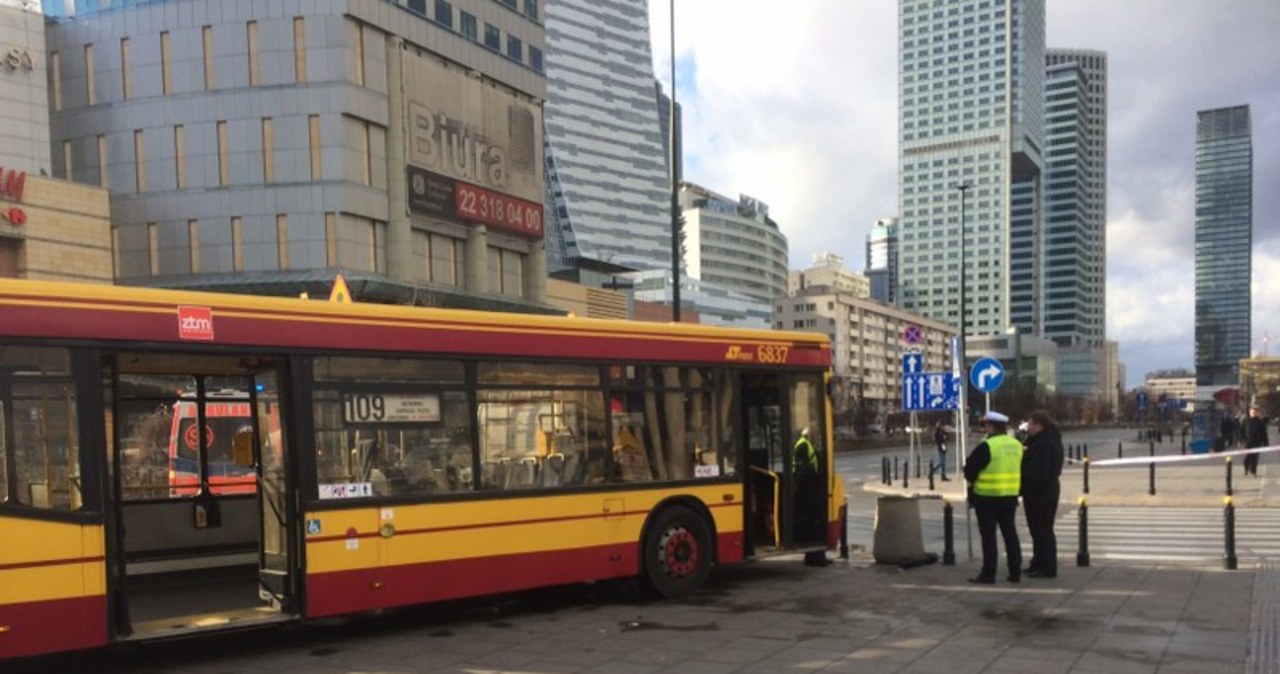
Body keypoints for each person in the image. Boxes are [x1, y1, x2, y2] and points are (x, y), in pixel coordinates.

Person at [963, 410, 1023, 584]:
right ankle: (1015, 571)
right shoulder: (1016, 444)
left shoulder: (987, 446)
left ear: (990, 426)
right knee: (1010, 533)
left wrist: (972, 479)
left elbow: (970, 471)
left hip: (987, 497)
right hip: (1010, 496)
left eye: (986, 425)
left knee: (989, 536)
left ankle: (989, 573)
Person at [1020, 410, 1064, 578]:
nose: (1028, 427)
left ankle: (1047, 567)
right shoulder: (1043, 441)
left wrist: (1028, 489)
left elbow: (1039, 472)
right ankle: (1038, 563)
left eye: (1031, 424)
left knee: (1043, 530)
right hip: (1043, 491)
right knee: (1037, 531)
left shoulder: (1044, 444)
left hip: (1041, 493)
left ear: (1039, 425)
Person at [1243, 406, 1269, 477]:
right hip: (1248, 442)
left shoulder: (1260, 422)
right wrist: (1240, 440)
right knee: (1247, 458)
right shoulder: (1246, 421)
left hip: (1257, 442)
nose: (1253, 413)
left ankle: (1253, 471)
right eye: (1252, 412)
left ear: (1257, 413)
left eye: (1255, 412)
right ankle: (1246, 468)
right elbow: (1242, 431)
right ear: (1250, 413)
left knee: (1255, 458)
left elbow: (1264, 434)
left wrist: (1266, 444)